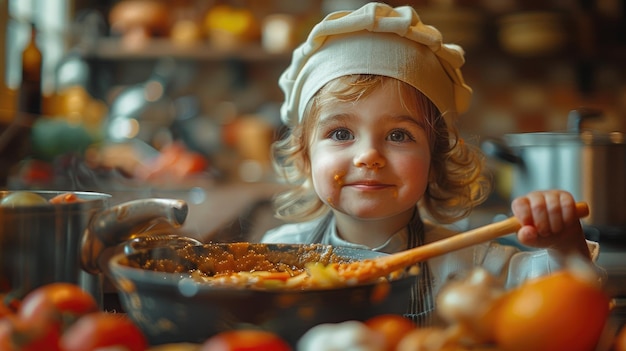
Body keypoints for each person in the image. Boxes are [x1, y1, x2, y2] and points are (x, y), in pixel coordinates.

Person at [260, 2, 600, 325]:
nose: (368, 156)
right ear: (305, 156)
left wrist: (565, 245)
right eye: (340, 133)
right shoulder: (275, 257)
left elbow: (565, 304)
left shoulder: (474, 265)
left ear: (435, 161)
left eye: (398, 135)